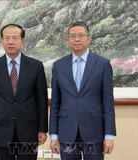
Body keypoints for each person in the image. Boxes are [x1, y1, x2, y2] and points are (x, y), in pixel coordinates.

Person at [49, 21, 116, 160]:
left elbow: (108, 103)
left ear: (89, 38)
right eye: (72, 36)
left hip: (94, 131)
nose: (77, 39)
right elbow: (55, 103)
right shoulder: (59, 65)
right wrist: (53, 135)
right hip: (67, 131)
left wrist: (109, 136)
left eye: (81, 35)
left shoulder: (102, 64)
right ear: (68, 40)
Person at [0, 23, 48, 160]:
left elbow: (41, 100)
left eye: (15, 38)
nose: (10, 42)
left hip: (29, 129)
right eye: (7, 38)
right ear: (2, 41)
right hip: (1, 129)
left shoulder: (36, 66)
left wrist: (42, 129)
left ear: (23, 40)